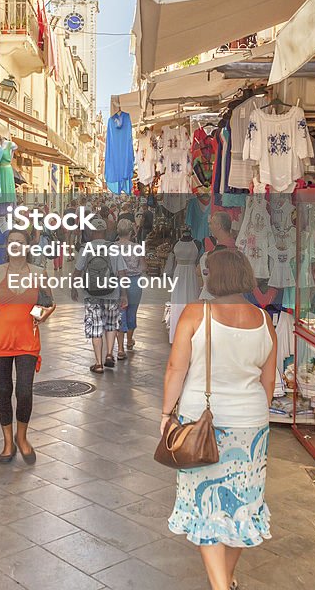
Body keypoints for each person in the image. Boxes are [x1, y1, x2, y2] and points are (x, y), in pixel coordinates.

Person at [161, 249, 277, 590]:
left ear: (214, 276)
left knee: (205, 504)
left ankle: (220, 586)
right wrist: (253, 413)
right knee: (243, 504)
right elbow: (267, 381)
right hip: (252, 423)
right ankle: (225, 578)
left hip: (201, 422)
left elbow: (175, 368)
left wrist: (166, 414)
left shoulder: (197, 313)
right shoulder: (263, 319)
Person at [0, 228, 55, 463]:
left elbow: (50, 302)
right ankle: (7, 442)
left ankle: (21, 437)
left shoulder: (38, 273)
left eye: (20, 242)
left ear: (27, 247)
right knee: (4, 391)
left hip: (28, 340)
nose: (15, 245)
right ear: (6, 247)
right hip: (0, 340)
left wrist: (44, 315)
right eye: (11, 242)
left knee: (24, 392)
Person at [71, 218, 128, 372]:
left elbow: (77, 271)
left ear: (91, 232)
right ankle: (109, 354)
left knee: (96, 326)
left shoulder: (86, 248)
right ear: (105, 232)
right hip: (112, 291)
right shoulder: (113, 247)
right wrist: (124, 294)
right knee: (111, 323)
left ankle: (98, 364)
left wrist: (73, 287)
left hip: (91, 293)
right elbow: (122, 273)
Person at [164, 226, 201, 343]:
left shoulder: (197, 243)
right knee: (178, 301)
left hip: (189, 272)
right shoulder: (178, 242)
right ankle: (178, 333)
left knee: (191, 300)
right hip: (181, 272)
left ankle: (191, 333)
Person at [115, 219, 145, 357]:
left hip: (116, 282)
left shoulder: (112, 247)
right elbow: (143, 267)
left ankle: (120, 348)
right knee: (132, 311)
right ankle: (129, 340)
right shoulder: (137, 247)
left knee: (119, 314)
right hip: (134, 282)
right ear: (131, 232)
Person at [199, 211, 237, 301]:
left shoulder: (227, 249)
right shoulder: (233, 246)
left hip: (217, 298)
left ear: (219, 226)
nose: (209, 227)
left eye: (211, 224)